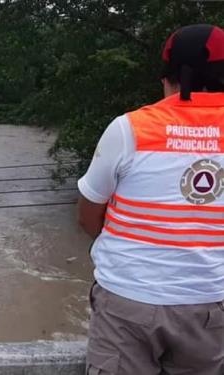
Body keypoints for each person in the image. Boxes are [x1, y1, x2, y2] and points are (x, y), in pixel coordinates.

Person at [77, 24, 224, 375]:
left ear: (168, 77)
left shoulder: (129, 128)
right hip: (210, 307)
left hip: (127, 306)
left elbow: (87, 216)